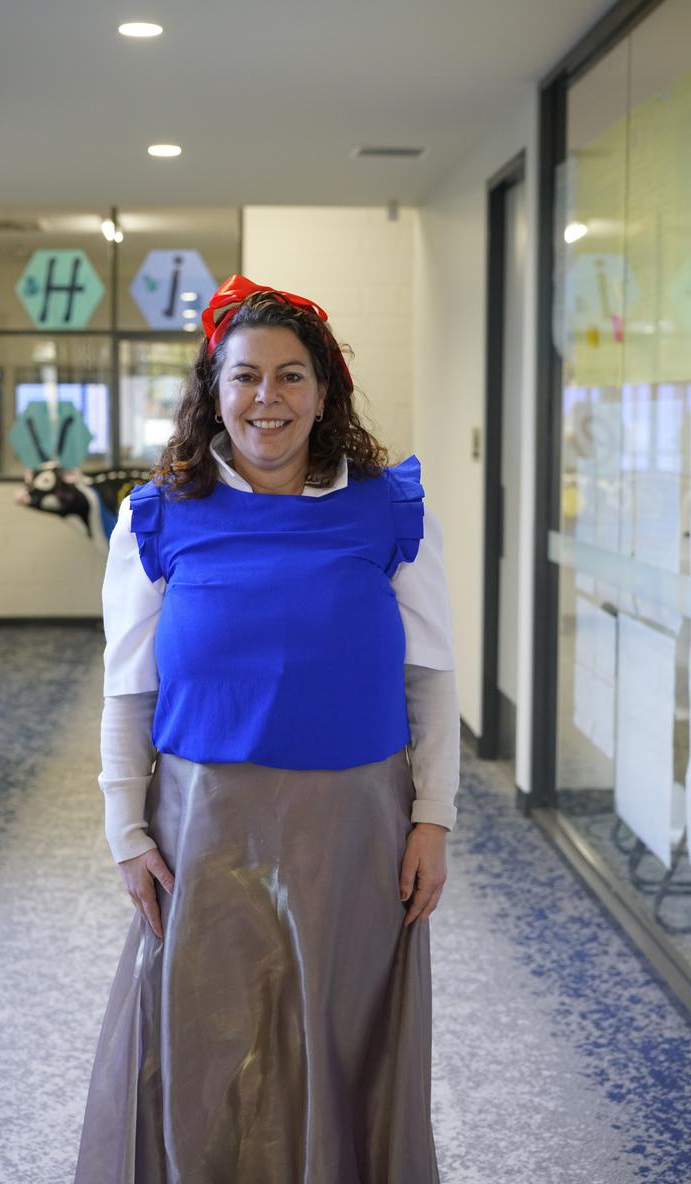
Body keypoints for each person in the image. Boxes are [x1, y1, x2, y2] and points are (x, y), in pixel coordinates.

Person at [73, 274, 460, 1184]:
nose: (267, 398)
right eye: (245, 376)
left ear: (325, 394)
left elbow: (431, 677)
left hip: (357, 822)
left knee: (338, 1024)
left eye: (291, 376)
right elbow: (127, 691)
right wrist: (126, 830)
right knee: (208, 1036)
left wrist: (433, 818)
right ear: (214, 391)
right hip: (204, 820)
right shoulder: (159, 516)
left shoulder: (390, 510)